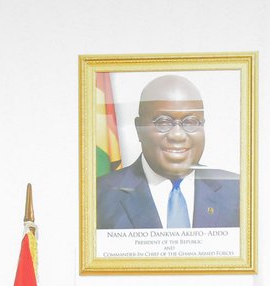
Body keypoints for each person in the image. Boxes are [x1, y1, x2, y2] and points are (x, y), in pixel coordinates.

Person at [95, 75, 240, 230]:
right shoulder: (98, 196)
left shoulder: (238, 191)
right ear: (139, 128)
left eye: (191, 122)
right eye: (163, 122)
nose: (177, 135)